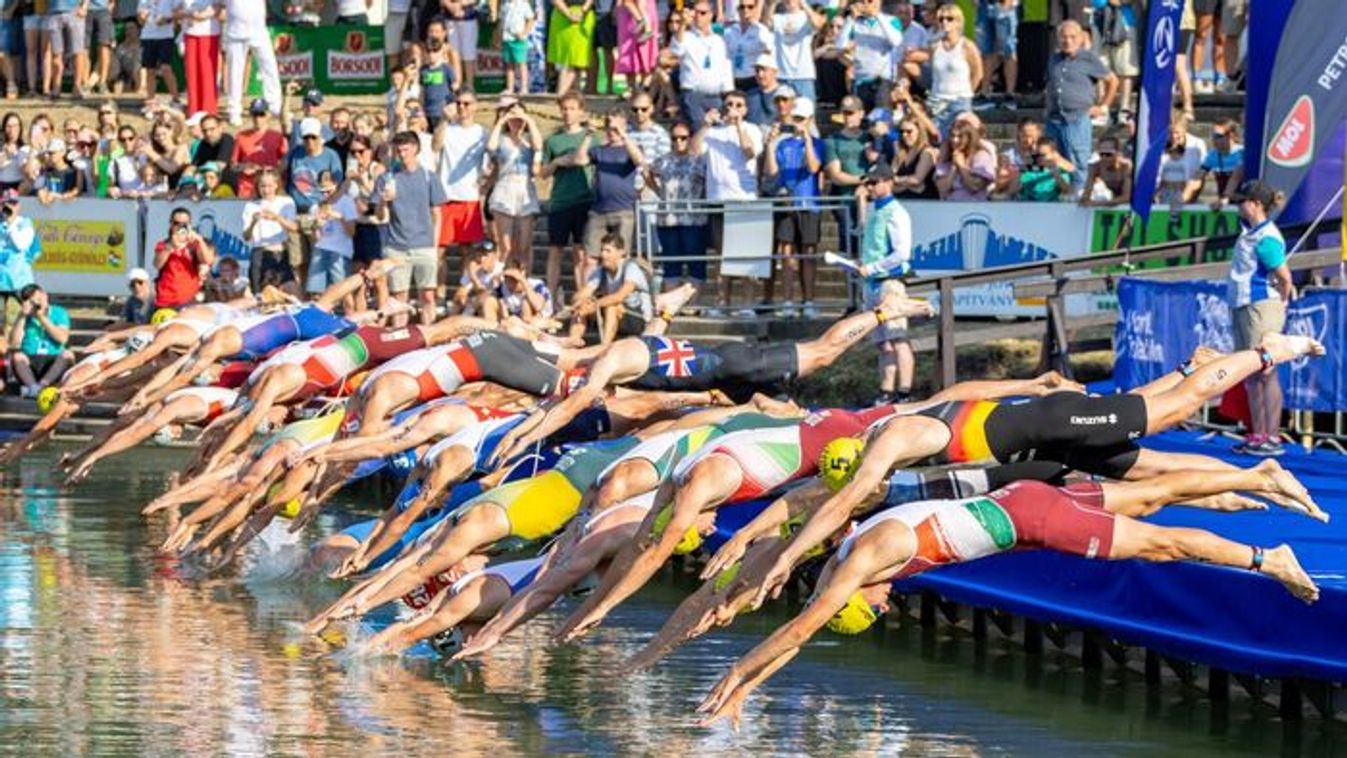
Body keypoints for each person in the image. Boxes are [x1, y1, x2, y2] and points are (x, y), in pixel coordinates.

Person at [697, 463, 1319, 725]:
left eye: (878, 608)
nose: (892, 605)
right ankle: (1254, 474)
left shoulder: (866, 562)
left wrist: (736, 677)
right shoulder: (846, 553)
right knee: (1150, 494)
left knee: (1161, 544)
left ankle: (1266, 560)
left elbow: (800, 632)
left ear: (864, 596)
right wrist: (750, 674)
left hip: (1035, 522)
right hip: (1020, 500)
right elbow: (801, 614)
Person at [1227, 180, 1293, 458]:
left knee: (1266, 372)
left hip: (1260, 307)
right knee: (1251, 373)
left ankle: (1272, 435)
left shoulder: (1266, 236)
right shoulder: (1250, 232)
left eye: (1243, 201)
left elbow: (1284, 276)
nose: (1239, 205)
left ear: (1255, 204)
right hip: (1243, 305)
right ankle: (1257, 433)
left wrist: (1282, 301)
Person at [697, 90, 762, 318]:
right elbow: (695, 151)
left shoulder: (752, 129)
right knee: (721, 256)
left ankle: (746, 304)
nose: (733, 108)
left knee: (746, 255)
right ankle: (722, 302)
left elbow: (749, 152)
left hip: (744, 199)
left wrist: (737, 126)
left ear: (745, 109)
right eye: (729, 104)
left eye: (738, 104)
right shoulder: (712, 132)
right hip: (718, 199)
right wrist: (705, 125)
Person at [855, 164, 913, 405]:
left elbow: (902, 253)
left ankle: (905, 392)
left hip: (890, 283)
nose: (870, 187)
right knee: (882, 342)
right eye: (868, 183)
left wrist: (873, 267)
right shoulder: (874, 210)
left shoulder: (896, 212)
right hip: (872, 283)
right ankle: (886, 392)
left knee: (899, 338)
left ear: (889, 182)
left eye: (874, 182)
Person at [377, 131, 446, 326]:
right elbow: (381, 217)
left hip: (424, 244)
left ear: (415, 149)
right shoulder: (387, 178)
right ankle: (400, 341)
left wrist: (434, 245)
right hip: (397, 246)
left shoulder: (428, 177)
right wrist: (383, 201)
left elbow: (437, 214)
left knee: (428, 296)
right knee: (400, 298)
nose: (402, 154)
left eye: (406, 149)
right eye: (398, 150)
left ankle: (430, 337)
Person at [762, 97, 820, 317]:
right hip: (787, 203)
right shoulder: (783, 144)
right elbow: (772, 172)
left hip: (809, 205)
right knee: (786, 253)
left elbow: (813, 167)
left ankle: (809, 301)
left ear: (809, 120)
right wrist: (770, 144)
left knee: (808, 254)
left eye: (800, 119)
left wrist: (806, 139)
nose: (796, 122)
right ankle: (787, 301)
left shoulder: (817, 143)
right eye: (794, 118)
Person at [1044, 20, 1117, 188]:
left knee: (1079, 162)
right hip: (1054, 119)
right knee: (1054, 163)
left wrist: (1103, 106)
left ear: (1080, 38)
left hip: (1077, 119)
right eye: (1063, 37)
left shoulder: (1089, 58)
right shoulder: (1054, 59)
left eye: (1072, 37)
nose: (1067, 41)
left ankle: (1080, 197)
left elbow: (1112, 80)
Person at [542, 90, 595, 297]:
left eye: (572, 109)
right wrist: (556, 162)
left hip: (584, 199)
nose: (568, 113)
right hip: (560, 200)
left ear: (581, 112)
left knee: (580, 253)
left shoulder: (591, 137)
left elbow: (590, 162)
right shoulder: (553, 140)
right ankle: (550, 297)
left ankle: (581, 297)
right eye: (564, 109)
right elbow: (542, 173)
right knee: (555, 251)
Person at [648, 120, 709, 290]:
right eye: (674, 138)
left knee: (695, 263)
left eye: (683, 138)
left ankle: (692, 305)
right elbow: (648, 172)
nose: (679, 142)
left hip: (694, 219)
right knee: (671, 264)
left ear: (690, 138)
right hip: (668, 219)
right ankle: (671, 307)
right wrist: (659, 191)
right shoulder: (664, 160)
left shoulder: (700, 160)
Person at [434, 91, 487, 282]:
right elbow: (435, 146)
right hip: (446, 196)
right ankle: (440, 296)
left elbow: (489, 163)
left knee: (469, 252)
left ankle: (465, 294)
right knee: (439, 251)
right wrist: (443, 120)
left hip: (469, 197)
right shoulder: (448, 128)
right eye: (458, 103)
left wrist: (484, 187)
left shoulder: (482, 132)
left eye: (467, 103)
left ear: (475, 106)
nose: (462, 107)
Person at [484, 99, 542, 273]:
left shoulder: (529, 141)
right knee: (505, 246)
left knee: (523, 245)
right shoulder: (501, 139)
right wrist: (502, 120)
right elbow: (490, 147)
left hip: (525, 189)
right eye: (513, 118)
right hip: (505, 188)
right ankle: (498, 279)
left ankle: (522, 280)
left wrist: (529, 120)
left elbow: (539, 146)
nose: (516, 122)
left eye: (519, 118)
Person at [910, 3, 980, 136]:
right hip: (937, 100)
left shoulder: (967, 46)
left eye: (949, 18)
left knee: (959, 140)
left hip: (960, 101)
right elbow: (928, 65)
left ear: (958, 21)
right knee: (936, 139)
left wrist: (967, 92)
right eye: (941, 18)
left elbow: (978, 73)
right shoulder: (934, 45)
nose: (944, 22)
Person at [571, 233, 653, 343]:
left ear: (621, 252)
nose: (603, 255)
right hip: (615, 315)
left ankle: (604, 346)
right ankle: (573, 342)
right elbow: (583, 293)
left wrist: (594, 305)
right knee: (581, 305)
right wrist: (581, 302)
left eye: (608, 251)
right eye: (602, 250)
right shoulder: (600, 271)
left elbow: (619, 296)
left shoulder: (631, 268)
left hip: (638, 318)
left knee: (612, 306)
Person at [583, 112, 644, 259]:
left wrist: (623, 136)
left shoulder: (632, 148)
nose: (612, 131)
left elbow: (639, 160)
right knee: (591, 258)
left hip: (623, 210)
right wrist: (588, 136)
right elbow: (579, 160)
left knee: (621, 257)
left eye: (616, 128)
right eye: (609, 128)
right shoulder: (599, 150)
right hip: (599, 211)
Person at [667, 1, 733, 125]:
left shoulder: (718, 40)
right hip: (693, 95)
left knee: (717, 132)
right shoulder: (686, 36)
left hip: (715, 96)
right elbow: (677, 50)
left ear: (710, 15)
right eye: (695, 12)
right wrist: (682, 24)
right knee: (699, 130)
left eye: (702, 13)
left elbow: (725, 67)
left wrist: (728, 92)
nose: (698, 16)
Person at [8, 283, 72, 397]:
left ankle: (40, 387)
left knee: (67, 355)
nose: (37, 304)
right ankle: (33, 388)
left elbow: (62, 338)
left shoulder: (59, 312)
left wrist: (42, 318)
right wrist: (22, 317)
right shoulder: (24, 316)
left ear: (45, 295)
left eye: (39, 299)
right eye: (32, 302)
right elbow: (14, 343)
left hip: (53, 361)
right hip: (30, 361)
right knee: (17, 356)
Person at [223, 0, 280, 126]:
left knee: (269, 67)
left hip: (259, 31)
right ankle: (234, 111)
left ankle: (274, 106)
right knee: (235, 72)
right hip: (236, 33)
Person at [840, 0, 903, 111]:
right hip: (861, 80)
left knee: (882, 121)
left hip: (884, 80)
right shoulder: (855, 22)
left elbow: (896, 41)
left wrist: (877, 15)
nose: (866, 4)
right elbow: (840, 45)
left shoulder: (891, 20)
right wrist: (850, 19)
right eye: (862, 1)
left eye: (870, 1)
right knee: (861, 120)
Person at [242, 169, 298, 292]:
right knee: (260, 292)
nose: (266, 190)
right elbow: (246, 236)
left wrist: (277, 217)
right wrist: (253, 222)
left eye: (269, 186)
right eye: (262, 186)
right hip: (260, 252)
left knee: (291, 289)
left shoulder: (286, 201)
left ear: (276, 185)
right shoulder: (250, 206)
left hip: (281, 252)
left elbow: (294, 227)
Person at [307, 170, 357, 297]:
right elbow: (315, 240)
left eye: (328, 191)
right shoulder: (315, 207)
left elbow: (351, 232)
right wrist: (316, 227)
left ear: (336, 185)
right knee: (316, 293)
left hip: (340, 251)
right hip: (320, 249)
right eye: (321, 192)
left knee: (342, 291)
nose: (325, 195)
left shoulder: (346, 201)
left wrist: (339, 217)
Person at [154, 206, 216, 307]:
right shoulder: (164, 244)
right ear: (171, 224)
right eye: (176, 223)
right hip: (166, 300)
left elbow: (208, 261)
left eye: (184, 224)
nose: (180, 227)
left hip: (190, 300)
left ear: (190, 225)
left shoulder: (195, 244)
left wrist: (199, 241)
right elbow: (157, 264)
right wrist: (170, 247)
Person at [230, 98, 287, 199]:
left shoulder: (277, 137)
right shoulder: (241, 136)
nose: (258, 118)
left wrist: (272, 171)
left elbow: (285, 162)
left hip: (270, 188)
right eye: (255, 114)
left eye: (261, 114)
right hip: (247, 188)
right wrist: (244, 167)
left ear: (268, 115)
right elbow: (233, 165)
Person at [770, 0, 824, 102]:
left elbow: (818, 24)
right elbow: (765, 24)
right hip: (782, 75)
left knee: (806, 112)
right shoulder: (778, 18)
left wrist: (803, 3)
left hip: (803, 75)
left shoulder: (806, 17)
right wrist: (772, 4)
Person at [0, 190, 39, 325]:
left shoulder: (25, 223)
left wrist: (10, 224)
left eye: (13, 203)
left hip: (20, 283)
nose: (10, 206)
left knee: (27, 319)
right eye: (6, 203)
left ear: (19, 206)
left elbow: (21, 245)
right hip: (1, 281)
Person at [934, 119, 995, 201]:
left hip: (974, 206)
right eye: (952, 136)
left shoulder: (981, 156)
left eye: (960, 137)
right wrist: (954, 168)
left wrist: (961, 166)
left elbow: (974, 186)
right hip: (950, 206)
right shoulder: (946, 156)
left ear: (969, 138)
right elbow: (942, 189)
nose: (955, 140)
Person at [177, 0, 219, 118]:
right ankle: (193, 109)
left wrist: (201, 16)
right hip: (190, 32)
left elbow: (218, 7)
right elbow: (176, 10)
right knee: (191, 72)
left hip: (209, 33)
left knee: (207, 72)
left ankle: (208, 110)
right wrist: (187, 14)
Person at [1156, 113, 1207, 211]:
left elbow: (1201, 173)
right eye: (1170, 132)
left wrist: (1188, 196)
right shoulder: (1160, 144)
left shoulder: (1197, 144)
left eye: (1177, 132)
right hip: (1163, 196)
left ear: (1185, 130)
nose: (1173, 136)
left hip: (1189, 195)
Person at [976, 0, 1018, 108]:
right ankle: (984, 93)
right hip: (983, 6)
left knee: (1008, 51)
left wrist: (1009, 3)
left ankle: (1010, 94)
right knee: (986, 51)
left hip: (1005, 5)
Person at [137, 0, 179, 108]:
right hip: (148, 36)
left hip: (165, 36)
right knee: (150, 70)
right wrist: (142, 17)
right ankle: (150, 101)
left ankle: (175, 99)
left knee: (166, 68)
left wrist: (167, 19)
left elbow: (178, 13)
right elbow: (140, 20)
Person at [547, 0, 595, 95]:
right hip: (563, 16)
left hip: (582, 17)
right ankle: (562, 95)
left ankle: (574, 95)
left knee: (576, 61)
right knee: (567, 61)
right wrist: (568, 13)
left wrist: (583, 11)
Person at [725, 0, 773, 95]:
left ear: (756, 9)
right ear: (737, 10)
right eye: (742, 7)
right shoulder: (730, 31)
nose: (745, 10)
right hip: (732, 79)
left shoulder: (761, 30)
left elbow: (770, 52)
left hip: (753, 79)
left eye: (750, 7)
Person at [46, 0, 89, 98]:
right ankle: (56, 87)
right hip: (54, 12)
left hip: (74, 12)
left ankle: (77, 86)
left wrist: (84, 6)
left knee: (78, 52)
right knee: (56, 53)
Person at [1009, 137, 1073, 202]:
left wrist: (1056, 174)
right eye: (1037, 154)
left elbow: (1067, 191)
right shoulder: (1027, 170)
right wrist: (1020, 173)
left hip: (1050, 208)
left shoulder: (1060, 171)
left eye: (1043, 155)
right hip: (1028, 208)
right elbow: (1011, 192)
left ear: (1053, 154)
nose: (1039, 158)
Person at [891, 115, 938, 200]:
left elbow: (917, 179)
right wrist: (908, 184)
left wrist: (898, 180)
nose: (904, 135)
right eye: (902, 132)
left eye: (909, 131)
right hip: (901, 199)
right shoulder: (900, 153)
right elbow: (890, 179)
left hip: (923, 200)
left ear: (919, 132)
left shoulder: (926, 152)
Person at [1201, 118, 1244, 210]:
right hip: (1224, 205)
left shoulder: (1242, 153)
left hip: (1244, 205)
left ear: (1231, 136)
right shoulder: (1212, 155)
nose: (1214, 139)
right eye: (1213, 136)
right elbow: (1198, 177)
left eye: (1218, 136)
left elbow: (1235, 178)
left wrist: (1225, 199)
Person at [615, 0, 657, 90]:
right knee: (628, 49)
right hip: (628, 14)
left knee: (644, 49)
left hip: (644, 11)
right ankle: (631, 87)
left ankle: (645, 85)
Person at [1078, 135, 1131, 206]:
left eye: (1108, 154)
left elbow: (1126, 197)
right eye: (1101, 154)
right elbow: (1086, 194)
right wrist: (1084, 198)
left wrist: (1098, 203)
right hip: (1116, 199)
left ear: (1117, 153)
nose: (1104, 158)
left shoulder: (1126, 167)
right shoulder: (1095, 167)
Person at [496, 0, 535, 94]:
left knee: (522, 63)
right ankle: (510, 88)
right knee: (509, 64)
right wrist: (498, 37)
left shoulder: (524, 4)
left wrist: (524, 33)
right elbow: (501, 22)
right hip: (507, 38)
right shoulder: (505, 5)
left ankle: (524, 87)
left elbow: (530, 19)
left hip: (519, 39)